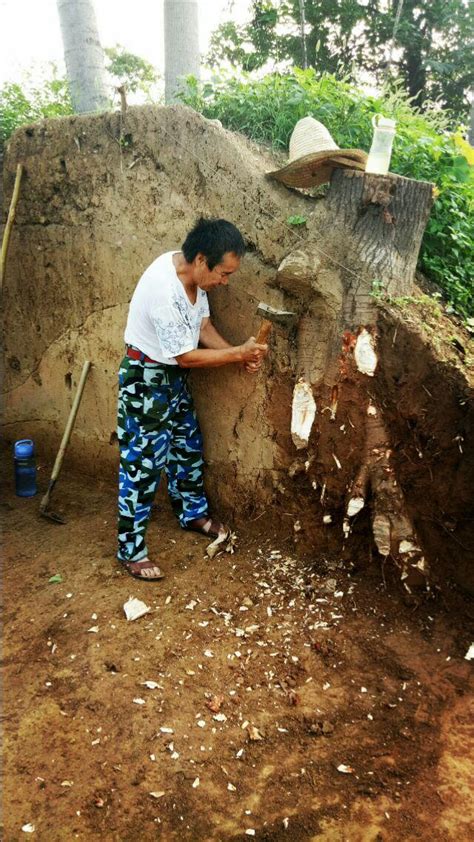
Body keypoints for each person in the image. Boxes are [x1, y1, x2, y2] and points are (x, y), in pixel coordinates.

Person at [117, 217, 268, 580]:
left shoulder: (194, 283)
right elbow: (185, 356)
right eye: (224, 273)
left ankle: (191, 513)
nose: (225, 281)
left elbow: (201, 329)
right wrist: (235, 356)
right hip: (146, 380)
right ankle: (131, 549)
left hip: (173, 377)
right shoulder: (163, 289)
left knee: (186, 446)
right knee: (142, 465)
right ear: (201, 259)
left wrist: (237, 350)